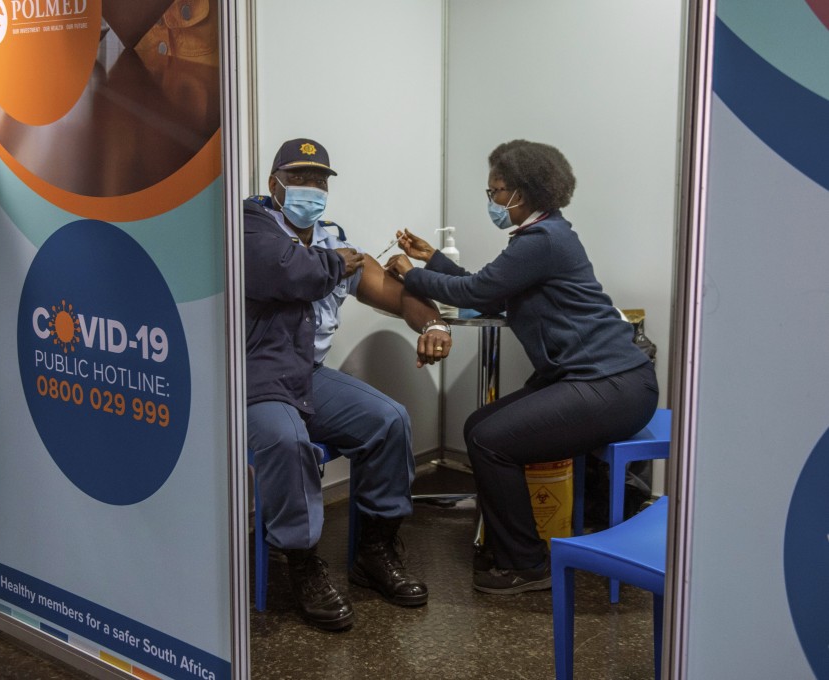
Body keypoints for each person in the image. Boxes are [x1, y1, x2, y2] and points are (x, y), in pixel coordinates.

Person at [385, 140, 658, 595]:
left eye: (496, 191)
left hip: (614, 386)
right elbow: (491, 289)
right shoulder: (544, 236)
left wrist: (408, 274)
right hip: (596, 380)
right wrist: (431, 258)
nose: (492, 200)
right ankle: (514, 546)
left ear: (524, 192)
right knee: (478, 426)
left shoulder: (544, 240)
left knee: (492, 441)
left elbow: (476, 292)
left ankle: (526, 563)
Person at [244, 138, 453, 630]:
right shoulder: (252, 224)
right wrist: (341, 262)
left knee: (389, 420)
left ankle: (374, 552)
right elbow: (288, 274)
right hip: (257, 376)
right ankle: (301, 563)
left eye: (319, 181)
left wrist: (434, 324)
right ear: (275, 183)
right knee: (286, 438)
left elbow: (394, 293)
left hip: (308, 375)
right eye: (299, 179)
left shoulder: (332, 236)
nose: (310, 189)